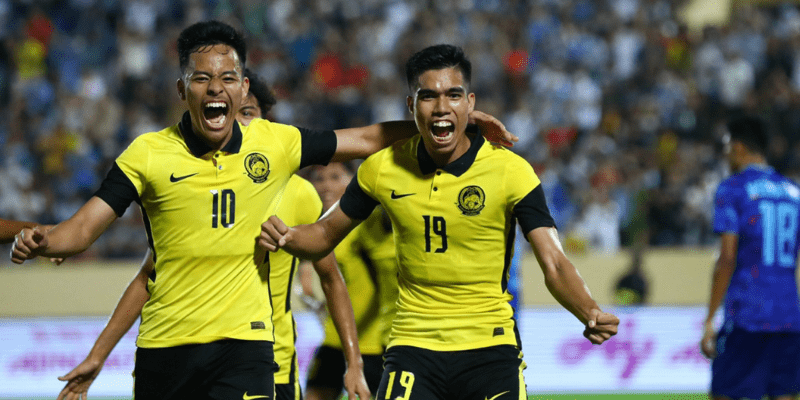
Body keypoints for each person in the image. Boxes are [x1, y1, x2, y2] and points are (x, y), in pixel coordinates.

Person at [10, 22, 516, 400]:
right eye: (202, 79)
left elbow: (365, 138)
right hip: (165, 346)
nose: (216, 88)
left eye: (228, 78)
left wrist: (452, 120)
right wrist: (42, 241)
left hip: (247, 347)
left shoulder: (275, 144)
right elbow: (81, 231)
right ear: (182, 90)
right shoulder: (146, 155)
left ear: (243, 89)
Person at [258, 44, 619, 400]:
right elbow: (323, 234)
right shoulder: (383, 168)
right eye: (428, 96)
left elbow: (554, 261)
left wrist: (588, 310)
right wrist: (286, 235)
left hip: (489, 348)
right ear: (411, 105)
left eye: (453, 95)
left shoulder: (511, 171)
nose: (441, 107)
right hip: (413, 346)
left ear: (470, 103)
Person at [55, 69, 357, 400]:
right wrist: (98, 354)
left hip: (271, 362)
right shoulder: (199, 188)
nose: (238, 122)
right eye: (233, 113)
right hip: (191, 355)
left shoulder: (300, 194)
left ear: (267, 123)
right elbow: (148, 278)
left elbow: (331, 278)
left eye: (248, 113)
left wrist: (353, 360)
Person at [700, 116, 800, 400]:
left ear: (740, 147)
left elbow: (727, 257)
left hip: (748, 312)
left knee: (725, 393)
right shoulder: (793, 192)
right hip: (789, 314)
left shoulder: (733, 189)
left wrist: (710, 318)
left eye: (727, 148)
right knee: (783, 394)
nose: (726, 155)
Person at [302, 162, 397, 400]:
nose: (326, 185)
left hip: (371, 341)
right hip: (334, 338)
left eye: (336, 177)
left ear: (355, 180)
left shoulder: (369, 224)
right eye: (319, 178)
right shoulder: (317, 227)